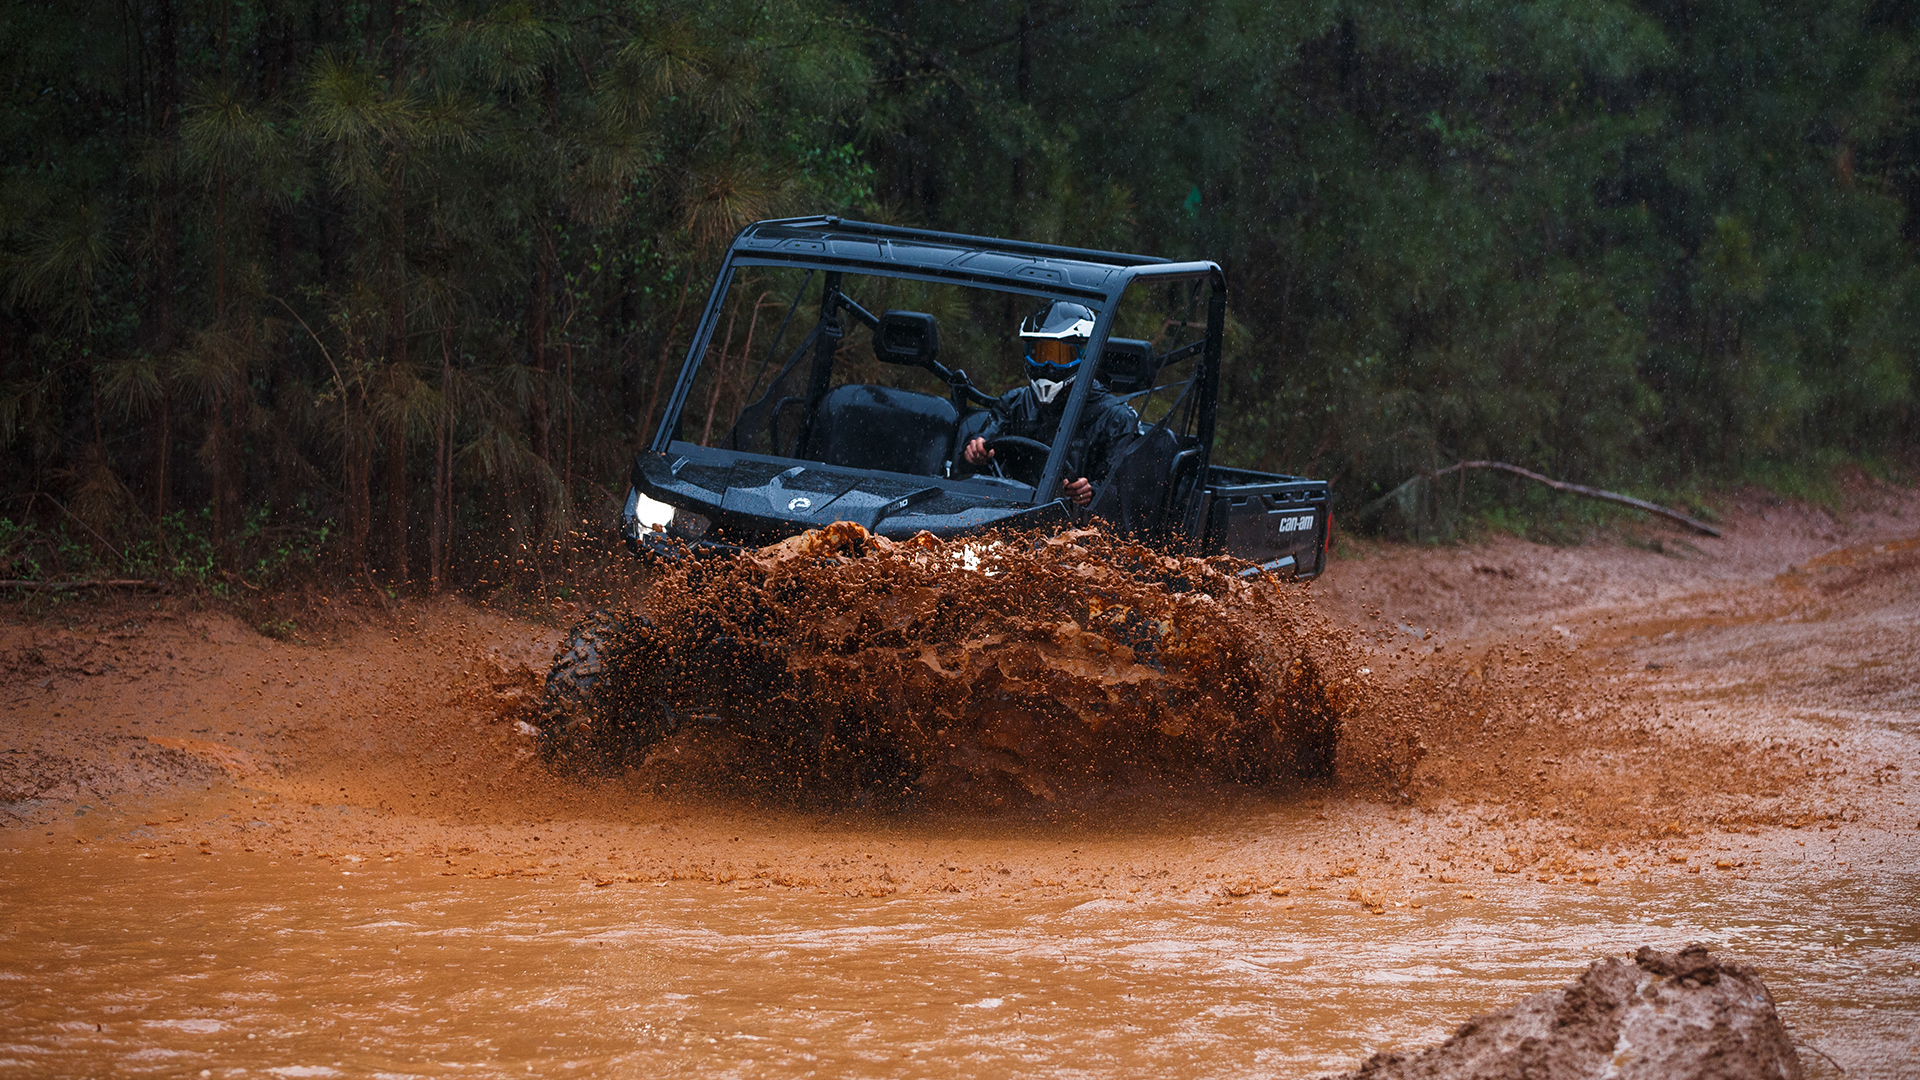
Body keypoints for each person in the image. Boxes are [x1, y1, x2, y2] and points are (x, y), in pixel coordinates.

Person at [961, 300, 1139, 505]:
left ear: (1086, 355)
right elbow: (980, 447)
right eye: (1039, 354)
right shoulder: (1013, 404)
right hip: (1006, 512)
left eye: (1059, 355)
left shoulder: (1117, 419)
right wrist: (975, 450)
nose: (1048, 365)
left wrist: (1092, 493)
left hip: (1073, 522)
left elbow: (1125, 494)